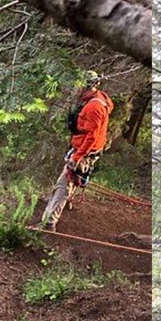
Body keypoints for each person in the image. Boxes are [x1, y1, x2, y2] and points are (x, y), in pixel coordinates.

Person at [40, 71, 115, 230]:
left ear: (86, 86)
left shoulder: (94, 106)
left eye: (77, 86)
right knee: (69, 182)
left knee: (64, 183)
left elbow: (91, 136)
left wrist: (77, 157)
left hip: (85, 151)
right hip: (83, 148)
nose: (75, 89)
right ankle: (62, 202)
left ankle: (48, 222)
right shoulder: (97, 98)